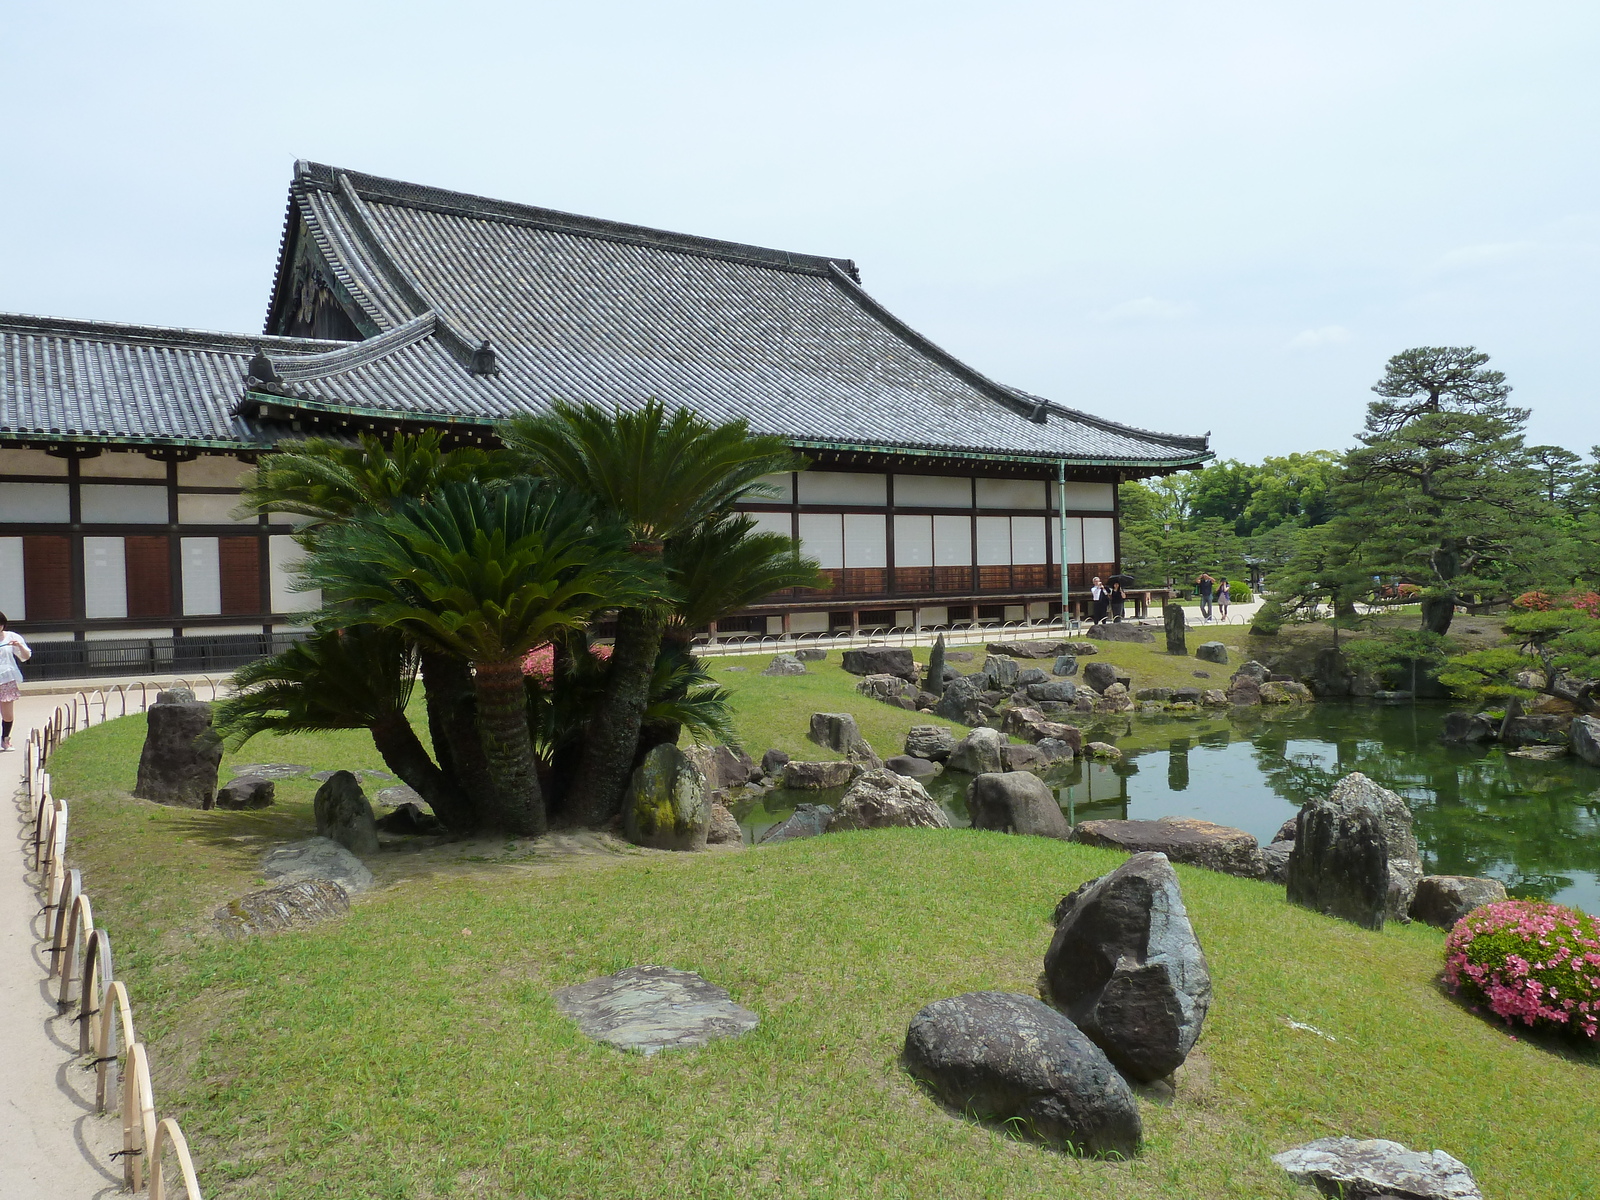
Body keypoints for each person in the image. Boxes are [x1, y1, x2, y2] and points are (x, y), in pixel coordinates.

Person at [0, 612, 31, 752]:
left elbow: (25, 656)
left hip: (6, 678)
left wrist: (19, 646)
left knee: (7, 714)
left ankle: (6, 739)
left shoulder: (11, 637)